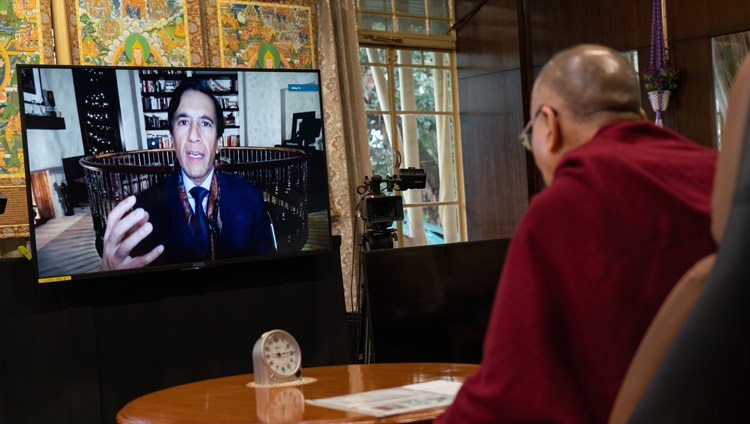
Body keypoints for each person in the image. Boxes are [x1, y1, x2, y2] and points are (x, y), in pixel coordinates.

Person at [433, 44, 718, 424]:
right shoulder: (722, 176)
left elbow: (508, 394)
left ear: (548, 124)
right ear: (638, 115)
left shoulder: (566, 207)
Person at [101, 77, 274, 271]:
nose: (193, 135)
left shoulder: (250, 198)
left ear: (218, 143)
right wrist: (110, 276)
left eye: (206, 123)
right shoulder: (145, 210)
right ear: (172, 140)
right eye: (184, 122)